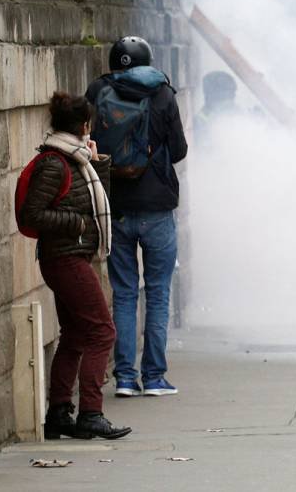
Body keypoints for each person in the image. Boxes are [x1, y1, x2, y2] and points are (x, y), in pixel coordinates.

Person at [18, 92, 131, 440]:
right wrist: (77, 225)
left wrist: (97, 165)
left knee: (76, 335)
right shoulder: (55, 163)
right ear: (83, 125)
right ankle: (91, 413)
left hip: (71, 256)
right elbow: (32, 214)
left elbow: (97, 203)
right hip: (65, 257)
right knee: (102, 331)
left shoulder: (76, 159)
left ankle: (59, 413)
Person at [86, 36, 188, 398]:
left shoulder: (99, 90)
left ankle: (126, 378)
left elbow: (87, 144)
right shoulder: (162, 93)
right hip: (158, 206)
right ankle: (156, 377)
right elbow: (178, 150)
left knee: (125, 294)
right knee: (158, 293)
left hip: (116, 206)